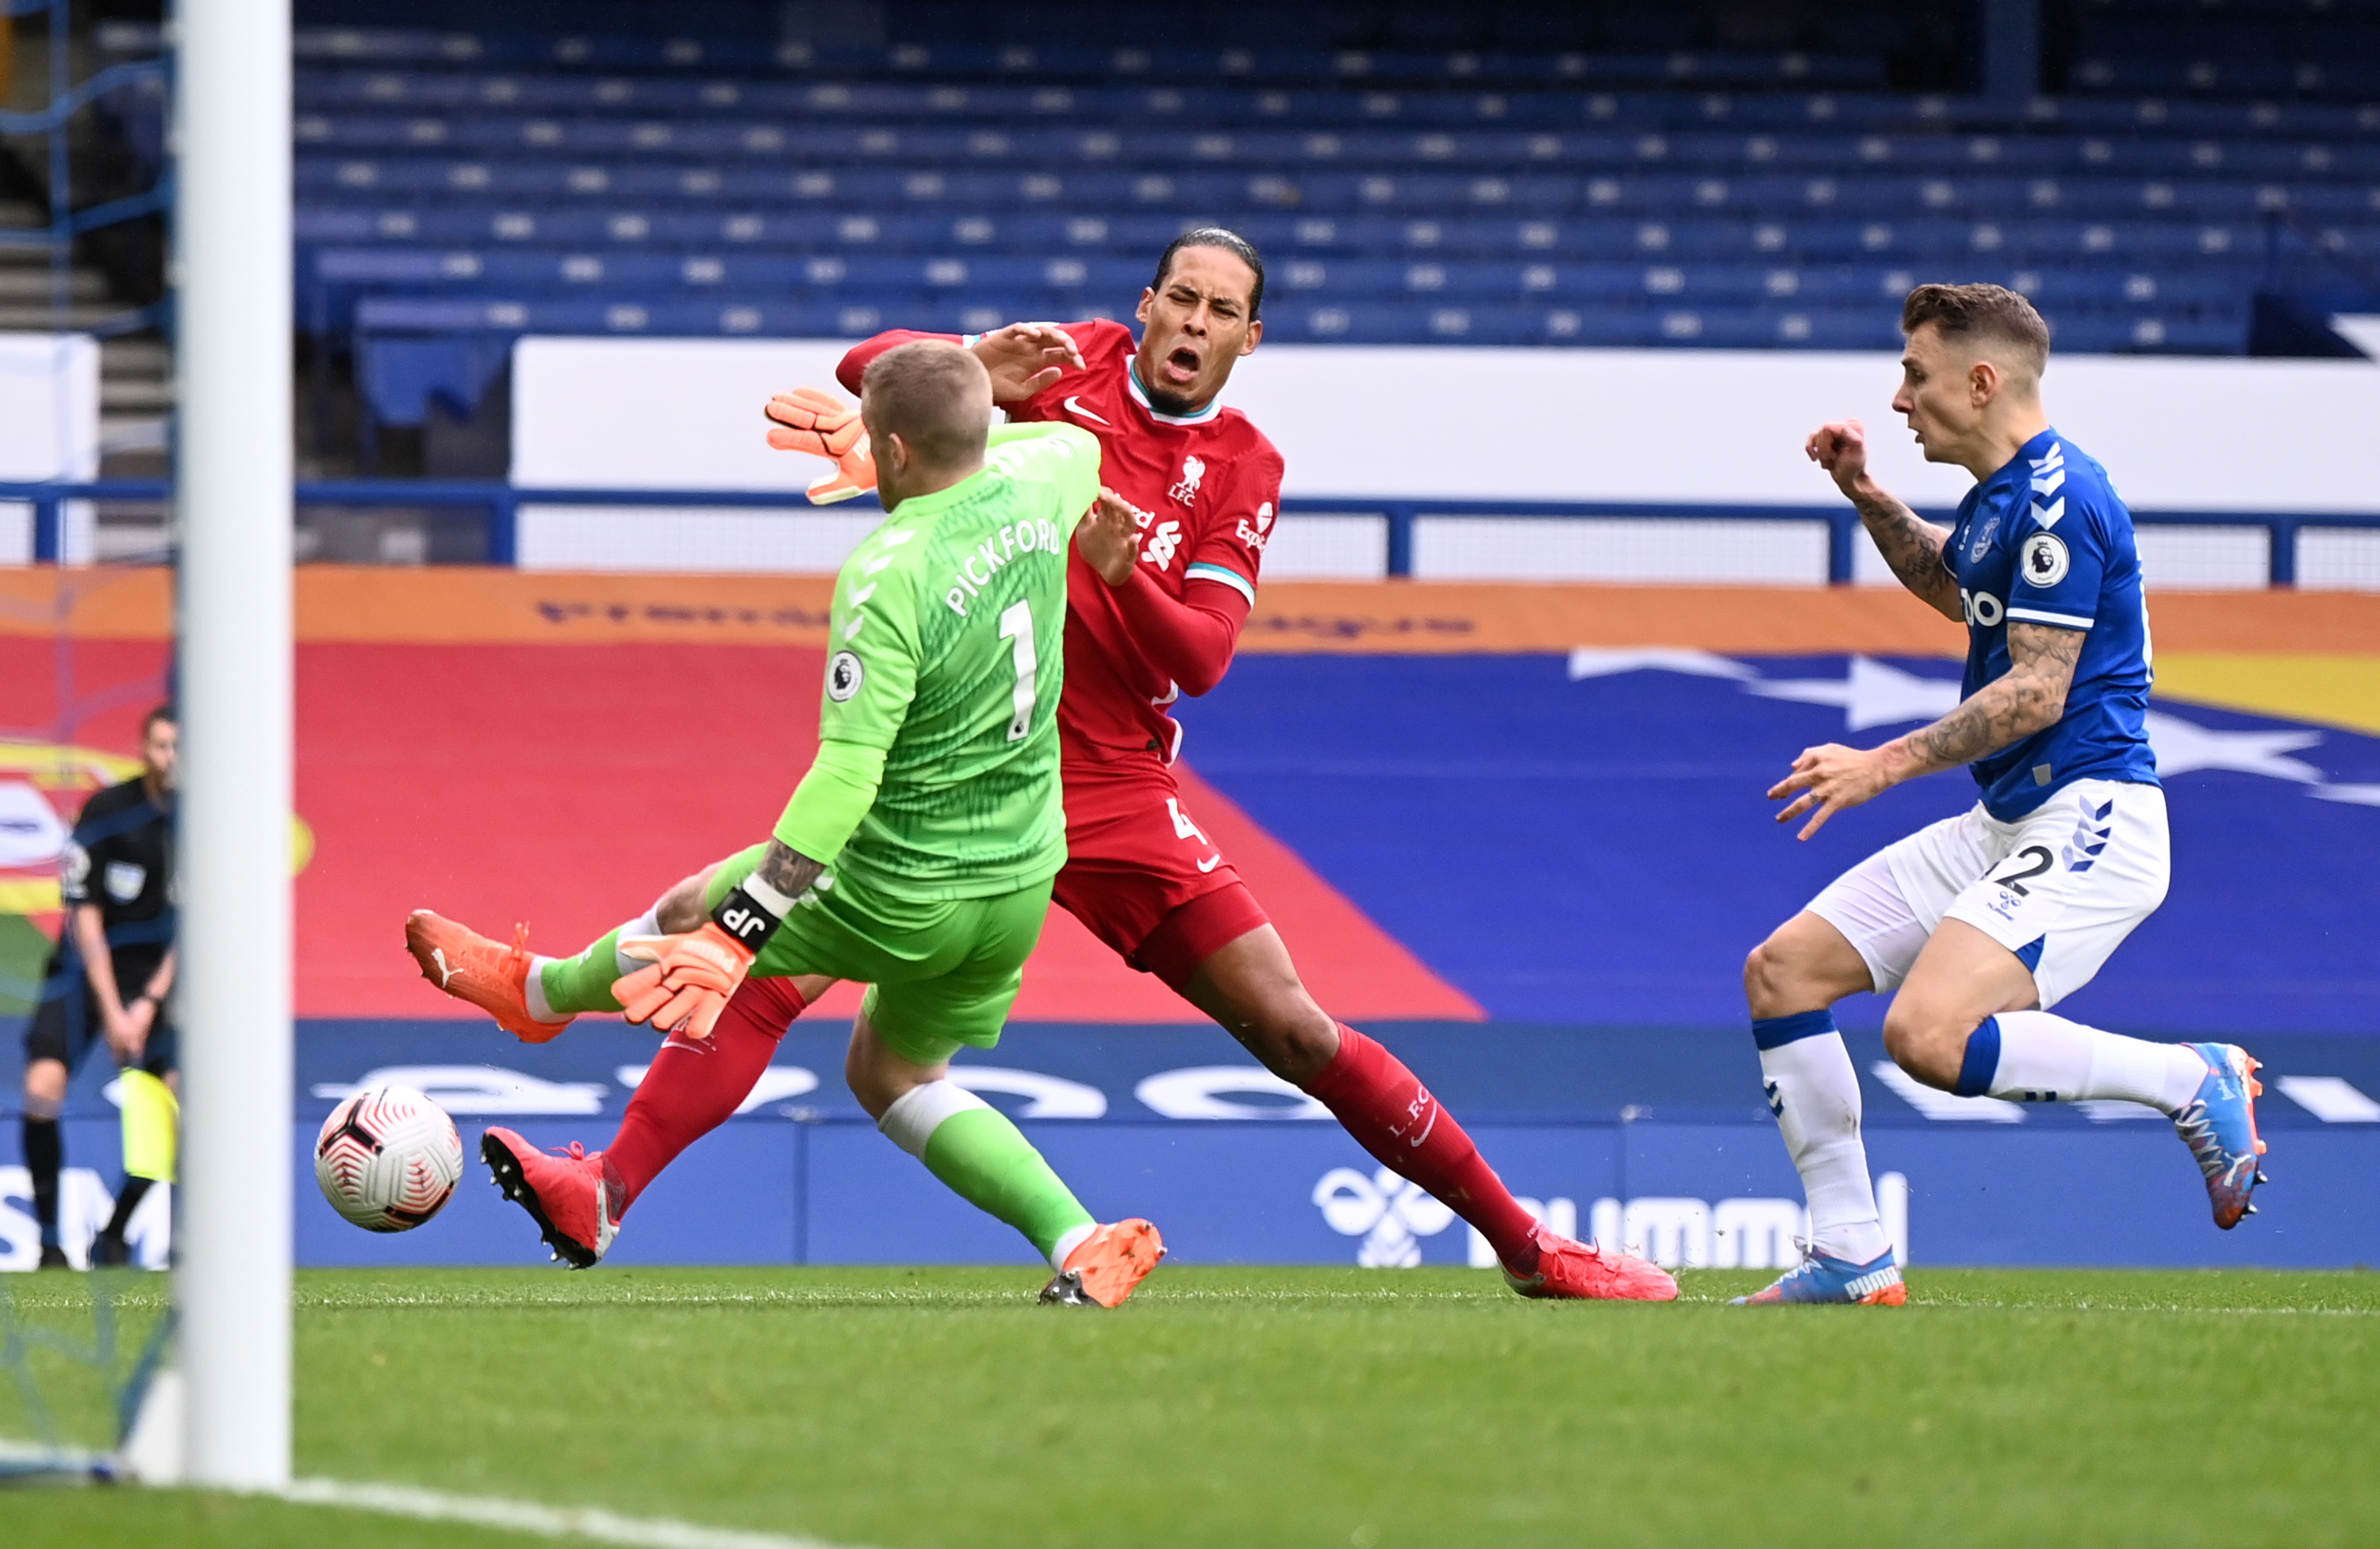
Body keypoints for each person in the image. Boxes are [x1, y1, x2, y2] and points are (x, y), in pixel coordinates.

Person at [415, 227, 1672, 1303]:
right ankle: (604, 1177)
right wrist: (973, 355)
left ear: (1250, 340)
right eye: (1177, 296)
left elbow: (1207, 658)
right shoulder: (1074, 375)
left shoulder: (1241, 468)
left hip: (1114, 783)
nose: (1192, 321)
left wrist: (1128, 581)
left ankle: (1527, 1244)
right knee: (770, 978)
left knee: (1289, 1023)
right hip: (965, 761)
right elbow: (882, 378)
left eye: (1221, 310)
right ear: (1144, 306)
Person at [413, 341, 1168, 1306]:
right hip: (1020, 879)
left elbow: (846, 777)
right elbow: (1048, 442)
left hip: (902, 881)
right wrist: (950, 402)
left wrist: (743, 927)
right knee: (896, 1071)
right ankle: (1078, 1238)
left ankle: (541, 994)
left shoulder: (887, 571)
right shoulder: (1054, 470)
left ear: (889, 448)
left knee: (696, 911)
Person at [1736, 283, 2265, 1306]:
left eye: (1915, 374)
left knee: (1927, 1036)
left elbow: (2037, 687)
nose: (1899, 398)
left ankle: (2190, 1078)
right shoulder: (2005, 495)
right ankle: (1851, 1254)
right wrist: (1868, 494)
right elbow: (1956, 584)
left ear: (1980, 382)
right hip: (2012, 818)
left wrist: (1880, 765)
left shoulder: (2064, 495)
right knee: (1784, 973)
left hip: (2094, 815)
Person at [20, 704, 178, 1269]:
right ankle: (48, 1242)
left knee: (176, 1110)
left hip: (157, 980)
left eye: (181, 746)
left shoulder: (204, 825)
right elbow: (82, 915)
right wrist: (113, 1009)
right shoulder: (109, 812)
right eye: (162, 745)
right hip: (86, 971)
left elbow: (193, 927)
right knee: (42, 1089)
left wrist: (149, 1004)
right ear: (144, 749)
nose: (172, 757)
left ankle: (115, 1231)